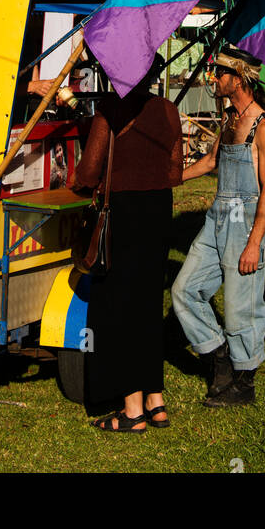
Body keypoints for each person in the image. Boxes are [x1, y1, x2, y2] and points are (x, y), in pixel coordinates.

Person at [71, 59, 183, 432]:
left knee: (119, 308)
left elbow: (88, 172)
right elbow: (175, 172)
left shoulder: (111, 110)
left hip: (123, 213)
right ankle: (156, 401)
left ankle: (132, 410)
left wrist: (87, 182)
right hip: (157, 212)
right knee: (149, 305)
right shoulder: (168, 110)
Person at [172, 45, 265, 408]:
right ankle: (218, 356)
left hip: (247, 223)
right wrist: (171, 179)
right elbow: (210, 162)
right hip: (217, 219)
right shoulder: (231, 119)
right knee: (184, 290)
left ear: (239, 79)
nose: (214, 79)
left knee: (240, 309)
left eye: (220, 74)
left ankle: (244, 382)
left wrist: (254, 244)